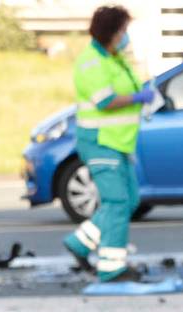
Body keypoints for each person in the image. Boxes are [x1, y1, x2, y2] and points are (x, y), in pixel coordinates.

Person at [62, 5, 152, 282]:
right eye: (123, 30)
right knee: (116, 201)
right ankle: (112, 268)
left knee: (131, 200)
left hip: (118, 144)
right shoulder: (91, 62)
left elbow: (133, 85)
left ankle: (79, 242)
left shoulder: (114, 58)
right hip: (100, 142)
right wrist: (139, 98)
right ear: (111, 32)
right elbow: (105, 100)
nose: (126, 36)